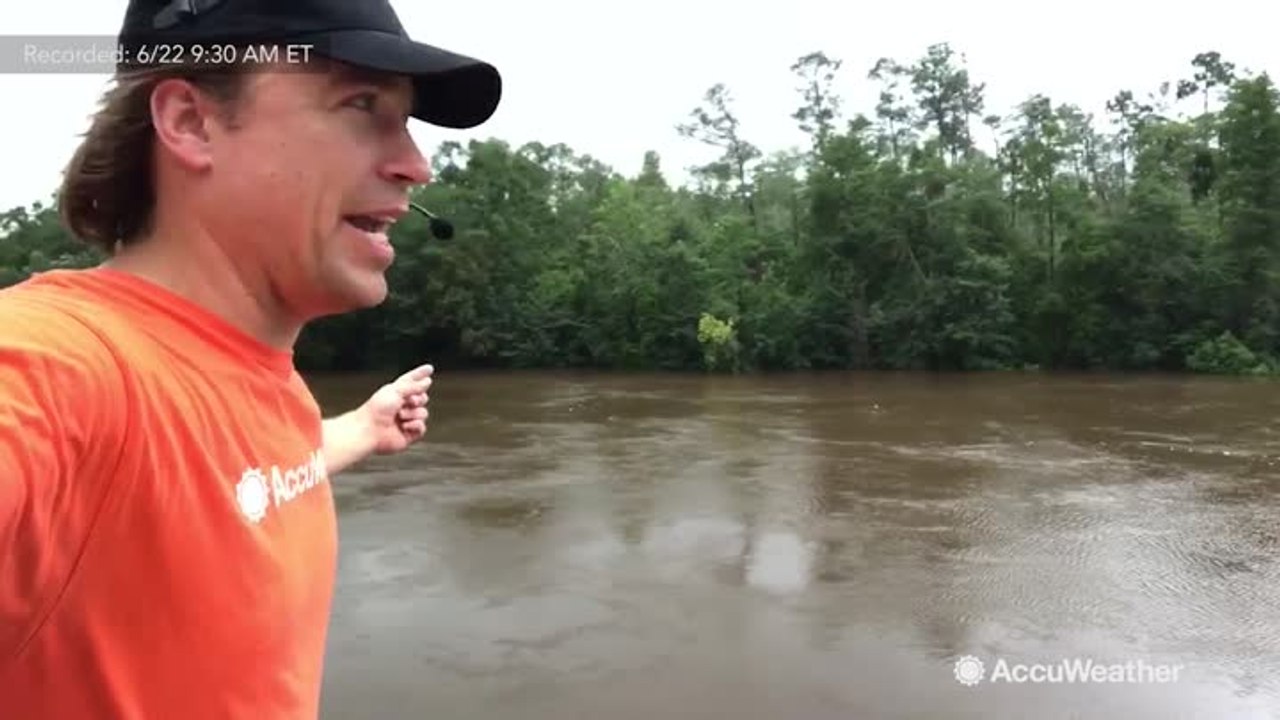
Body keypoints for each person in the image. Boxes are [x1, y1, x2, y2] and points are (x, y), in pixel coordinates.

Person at [0, 0, 501, 717]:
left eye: (407, 121)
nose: (415, 166)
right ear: (191, 124)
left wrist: (365, 427)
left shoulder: (263, 380)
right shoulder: (62, 365)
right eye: (362, 105)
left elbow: (252, 479)